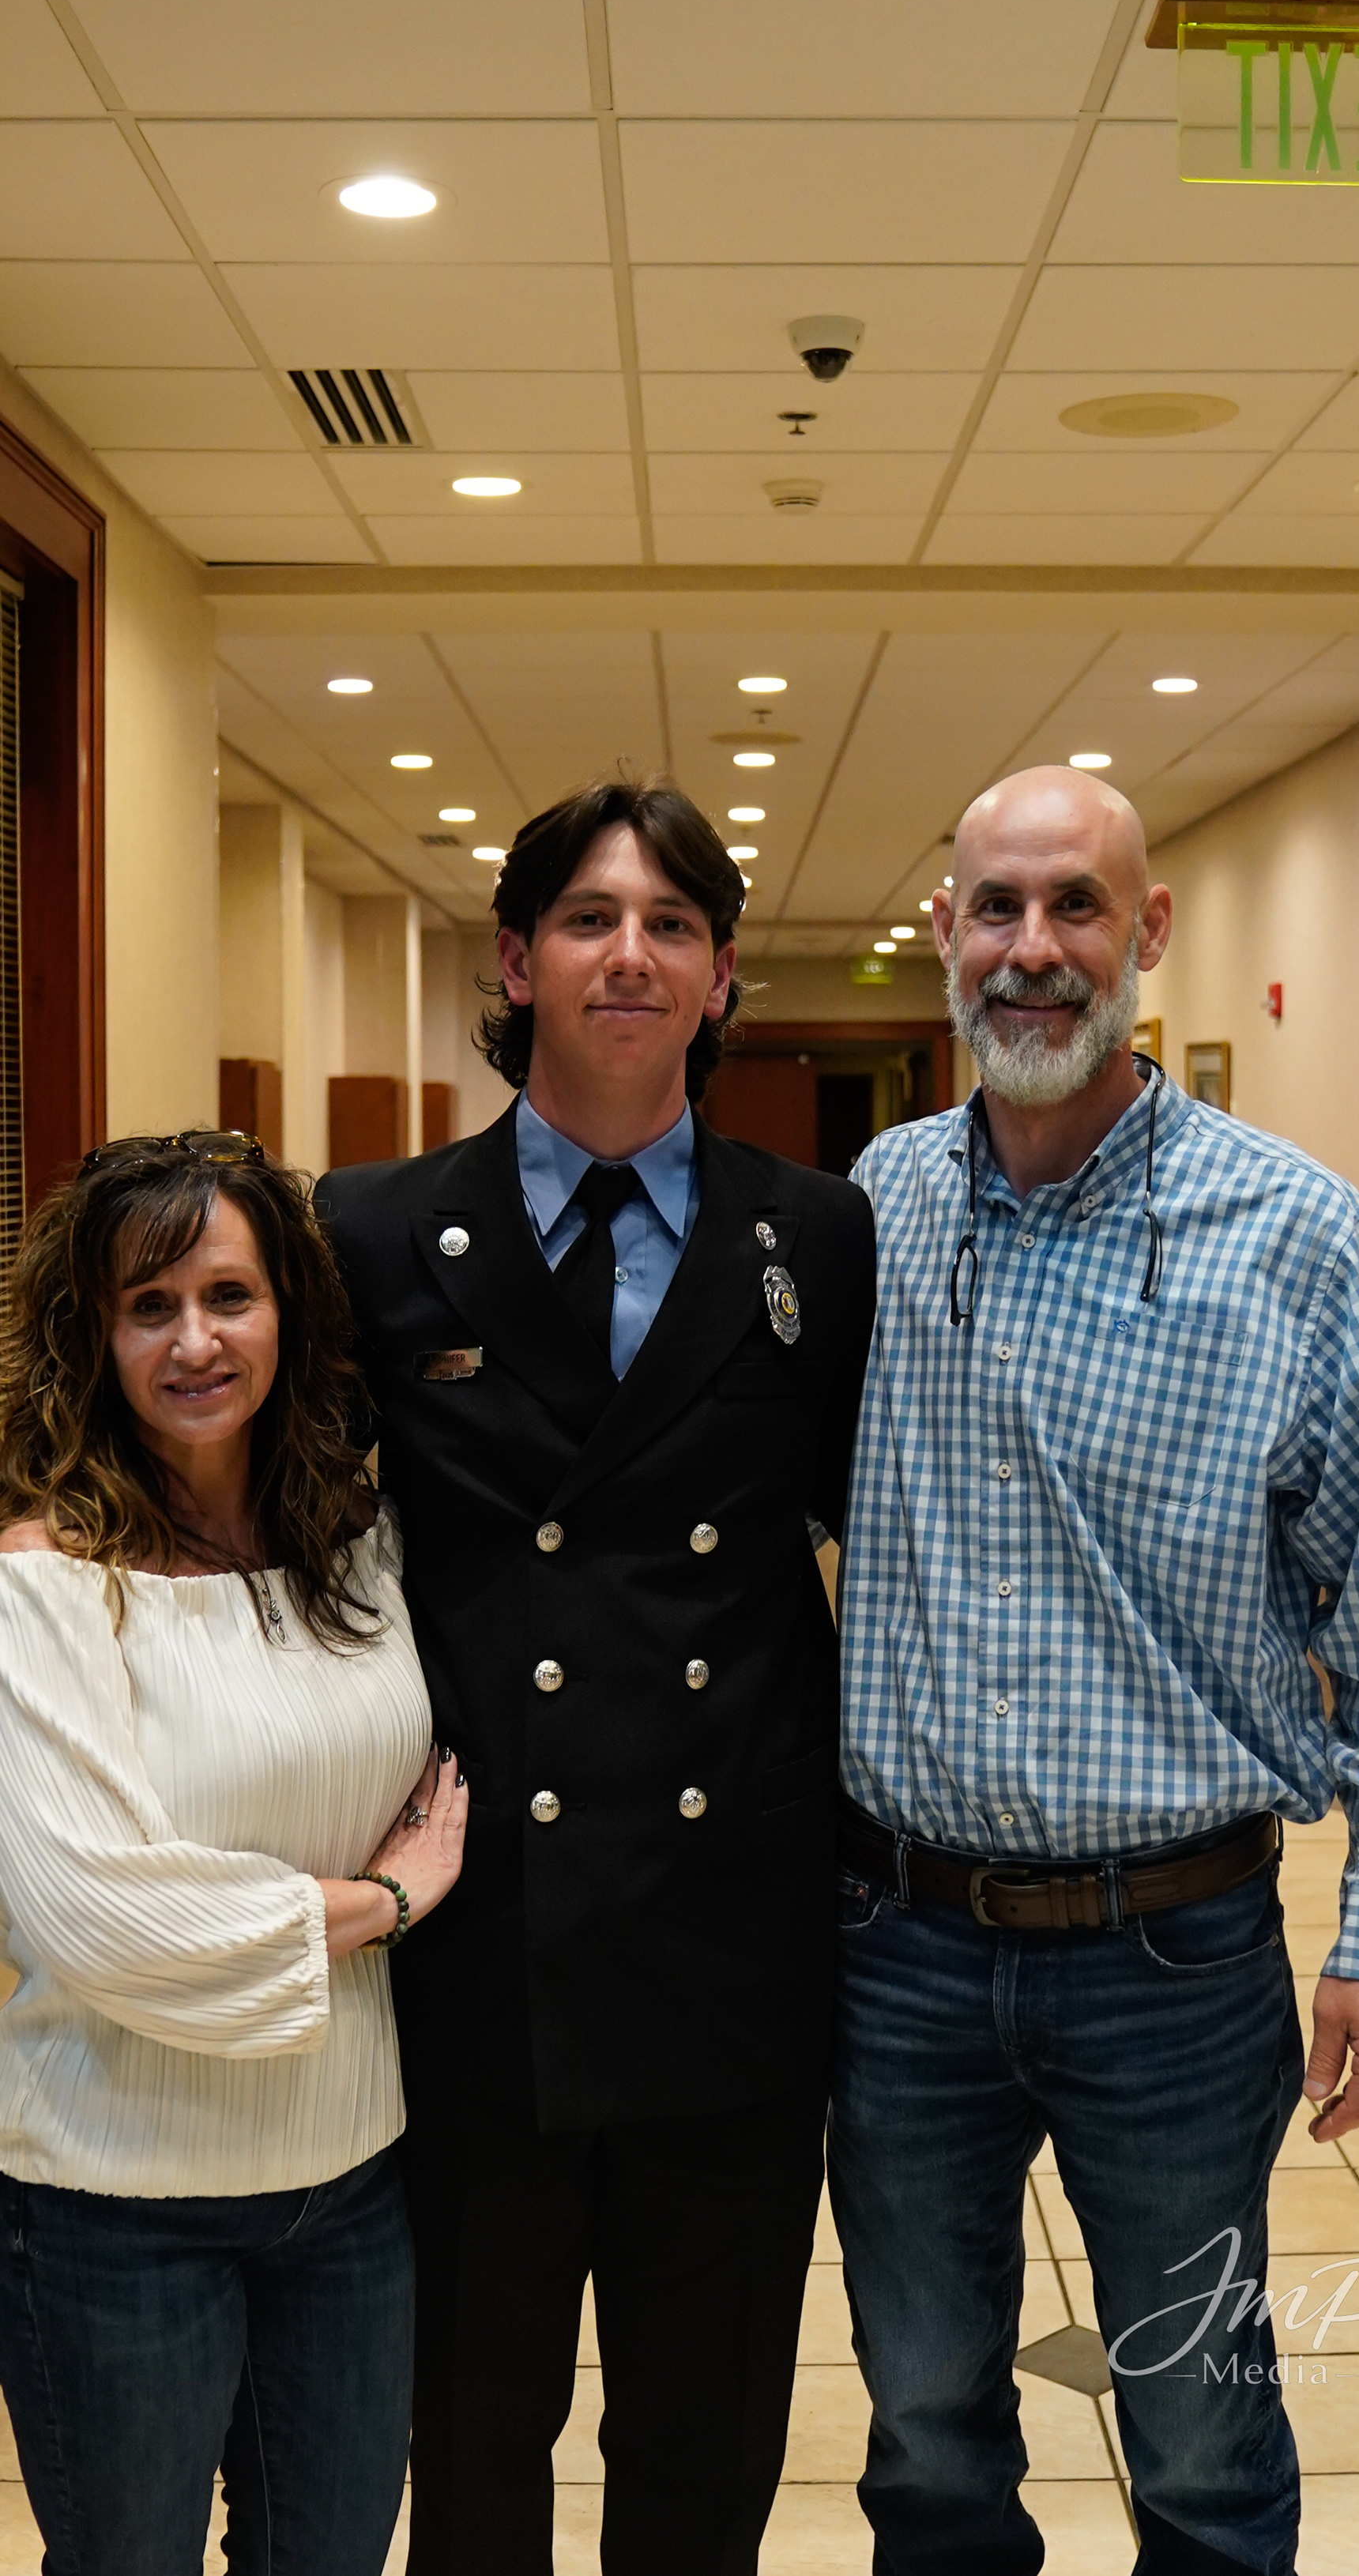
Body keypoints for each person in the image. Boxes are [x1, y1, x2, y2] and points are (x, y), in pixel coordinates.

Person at [830, 766, 1359, 2576]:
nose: (1033, 948)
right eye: (997, 906)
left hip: (1174, 1964)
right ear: (946, 930)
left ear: (1151, 930)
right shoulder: (877, 1207)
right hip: (898, 1953)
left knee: (1200, 2437)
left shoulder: (1298, 1236)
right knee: (925, 2427)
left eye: (1077, 905)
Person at [317, 774, 875, 2576]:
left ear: (719, 976)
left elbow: (881, 1519)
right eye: (588, 918)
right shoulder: (374, 1228)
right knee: (474, 2441)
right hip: (485, 1941)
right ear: (517, 961)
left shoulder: (816, 1234)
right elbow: (281, 1518)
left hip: (729, 1941)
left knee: (701, 2456)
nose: (630, 954)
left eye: (671, 924)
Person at [0, 1132, 469, 2576]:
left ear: (289, 1311)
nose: (195, 1340)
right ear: (92, 1337)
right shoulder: (44, 1586)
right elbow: (98, 1916)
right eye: (149, 1306)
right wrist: (382, 1899)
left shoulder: (358, 1549)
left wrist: (301, 1910)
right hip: (111, 2203)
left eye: (228, 1295)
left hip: (351, 2178)